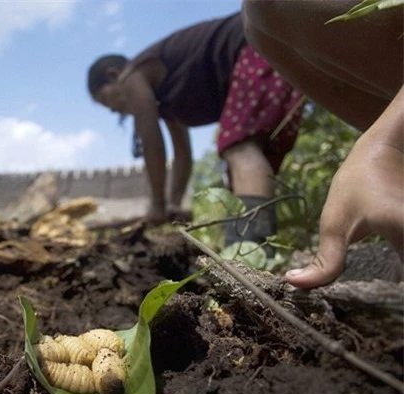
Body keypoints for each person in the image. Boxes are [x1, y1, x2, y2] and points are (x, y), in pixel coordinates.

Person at [87, 12, 304, 252]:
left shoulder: (132, 75)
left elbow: (152, 145)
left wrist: (157, 204)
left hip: (256, 44)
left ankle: (250, 255)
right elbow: (181, 153)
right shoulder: (166, 100)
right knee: (244, 171)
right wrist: (173, 204)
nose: (114, 110)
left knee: (240, 150)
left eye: (106, 100)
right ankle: (257, 256)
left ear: (114, 75)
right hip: (279, 49)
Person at [242, 0, 403, 288]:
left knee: (241, 151)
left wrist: (389, 143)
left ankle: (251, 247)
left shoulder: (136, 79)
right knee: (256, 18)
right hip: (255, 38)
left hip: (248, 56)